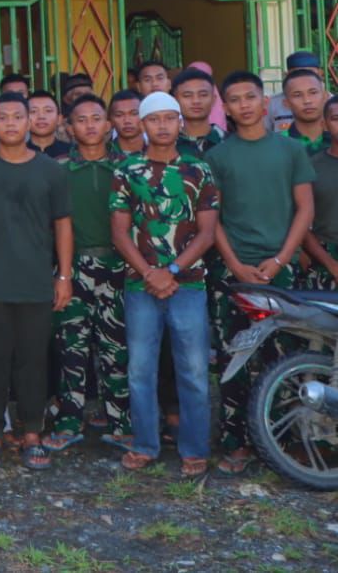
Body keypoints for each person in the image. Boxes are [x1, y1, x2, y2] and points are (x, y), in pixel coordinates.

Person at [205, 71, 316, 475]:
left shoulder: (290, 151)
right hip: (233, 271)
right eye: (234, 100)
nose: (244, 105)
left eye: (250, 97)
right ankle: (236, 442)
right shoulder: (217, 157)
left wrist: (282, 258)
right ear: (227, 109)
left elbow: (305, 209)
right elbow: (211, 219)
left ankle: (287, 441)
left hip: (280, 271)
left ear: (265, 102)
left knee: (285, 356)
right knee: (234, 356)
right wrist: (234, 263)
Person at [109, 92, 219, 478]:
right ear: (142, 124)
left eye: (169, 119)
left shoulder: (198, 169)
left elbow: (207, 234)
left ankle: (194, 448)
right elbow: (120, 233)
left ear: (179, 123)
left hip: (188, 284)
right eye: (153, 119)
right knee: (140, 369)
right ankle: (145, 444)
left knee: (191, 369)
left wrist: (169, 270)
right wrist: (148, 272)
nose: (162, 126)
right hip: (140, 286)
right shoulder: (127, 170)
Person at [0, 93, 72, 472]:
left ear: (31, 122)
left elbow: (62, 223)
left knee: (33, 358)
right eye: (3, 117)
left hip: (35, 280)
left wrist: (64, 274)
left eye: (18, 116)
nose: (11, 123)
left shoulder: (51, 171)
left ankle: (32, 432)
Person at [45, 94, 130, 451]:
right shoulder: (59, 170)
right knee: (72, 346)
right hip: (74, 267)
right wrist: (59, 274)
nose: (90, 126)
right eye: (81, 120)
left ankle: (122, 422)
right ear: (69, 127)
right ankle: (69, 421)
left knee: (117, 348)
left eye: (97, 118)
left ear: (109, 125)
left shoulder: (128, 168)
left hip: (120, 267)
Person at [301, 96, 338, 291]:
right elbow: (300, 222)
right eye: (336, 118)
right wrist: (331, 265)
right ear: (324, 124)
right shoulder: (311, 167)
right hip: (325, 258)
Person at [172, 68, 224, 156]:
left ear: (213, 100)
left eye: (203, 95)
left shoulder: (229, 143)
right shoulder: (167, 146)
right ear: (175, 101)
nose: (196, 101)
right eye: (187, 95)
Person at [266, 50, 322, 132]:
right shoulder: (271, 104)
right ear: (286, 75)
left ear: (320, 74)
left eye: (310, 73)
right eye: (298, 73)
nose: (307, 101)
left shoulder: (332, 102)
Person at [281, 68, 331, 154]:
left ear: (325, 97)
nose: (307, 101)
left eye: (313, 92)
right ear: (286, 103)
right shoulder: (278, 143)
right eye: (297, 95)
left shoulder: (335, 136)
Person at [27, 90, 70, 157]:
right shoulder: (15, 155)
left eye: (48, 110)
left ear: (59, 119)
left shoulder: (72, 153)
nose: (41, 116)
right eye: (33, 111)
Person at [108, 90, 145, 155]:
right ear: (111, 120)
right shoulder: (100, 155)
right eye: (119, 115)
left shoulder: (160, 150)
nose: (127, 121)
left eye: (134, 113)